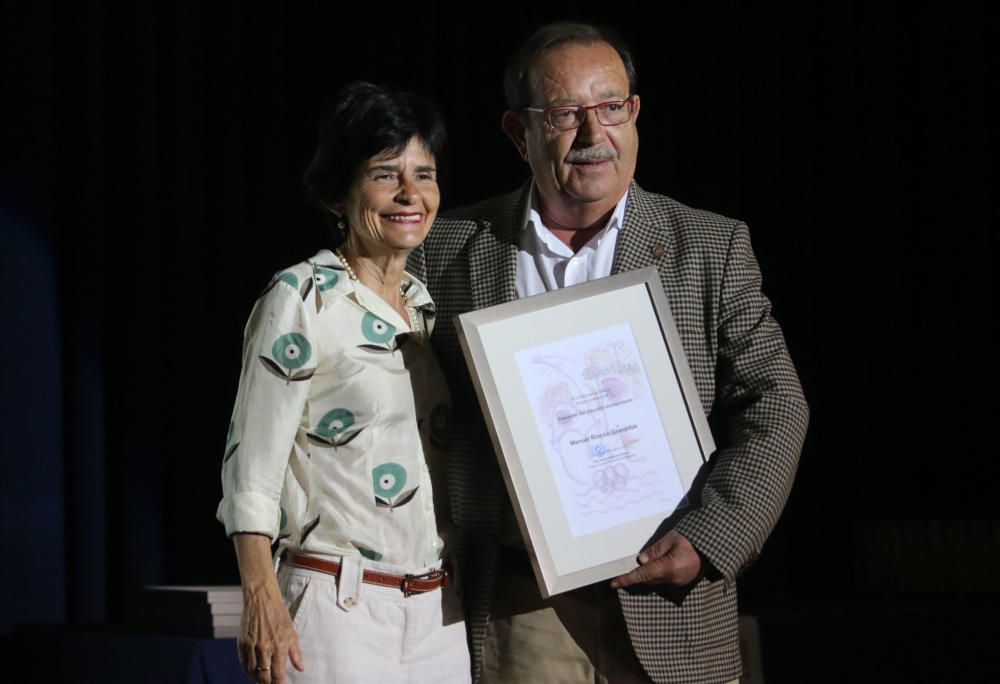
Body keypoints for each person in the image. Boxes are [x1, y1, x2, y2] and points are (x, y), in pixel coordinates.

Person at [408, 22, 809, 684]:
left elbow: (777, 404)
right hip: (520, 608)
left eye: (612, 107)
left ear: (636, 113)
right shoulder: (445, 248)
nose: (595, 136)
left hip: (672, 602)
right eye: (566, 114)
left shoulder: (710, 247)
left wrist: (712, 538)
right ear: (519, 132)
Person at [217, 81, 470, 684]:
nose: (411, 193)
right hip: (338, 608)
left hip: (439, 613)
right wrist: (260, 597)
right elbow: (252, 469)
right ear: (339, 193)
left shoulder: (428, 309)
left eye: (425, 174)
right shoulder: (301, 296)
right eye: (386, 174)